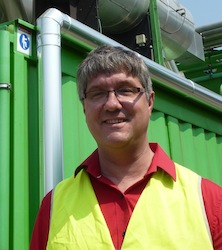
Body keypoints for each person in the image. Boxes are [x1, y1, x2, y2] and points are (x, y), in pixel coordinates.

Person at [30, 45, 222, 250]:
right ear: (85, 108)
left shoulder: (209, 200)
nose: (112, 104)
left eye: (125, 90)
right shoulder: (53, 206)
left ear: (149, 101)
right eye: (97, 93)